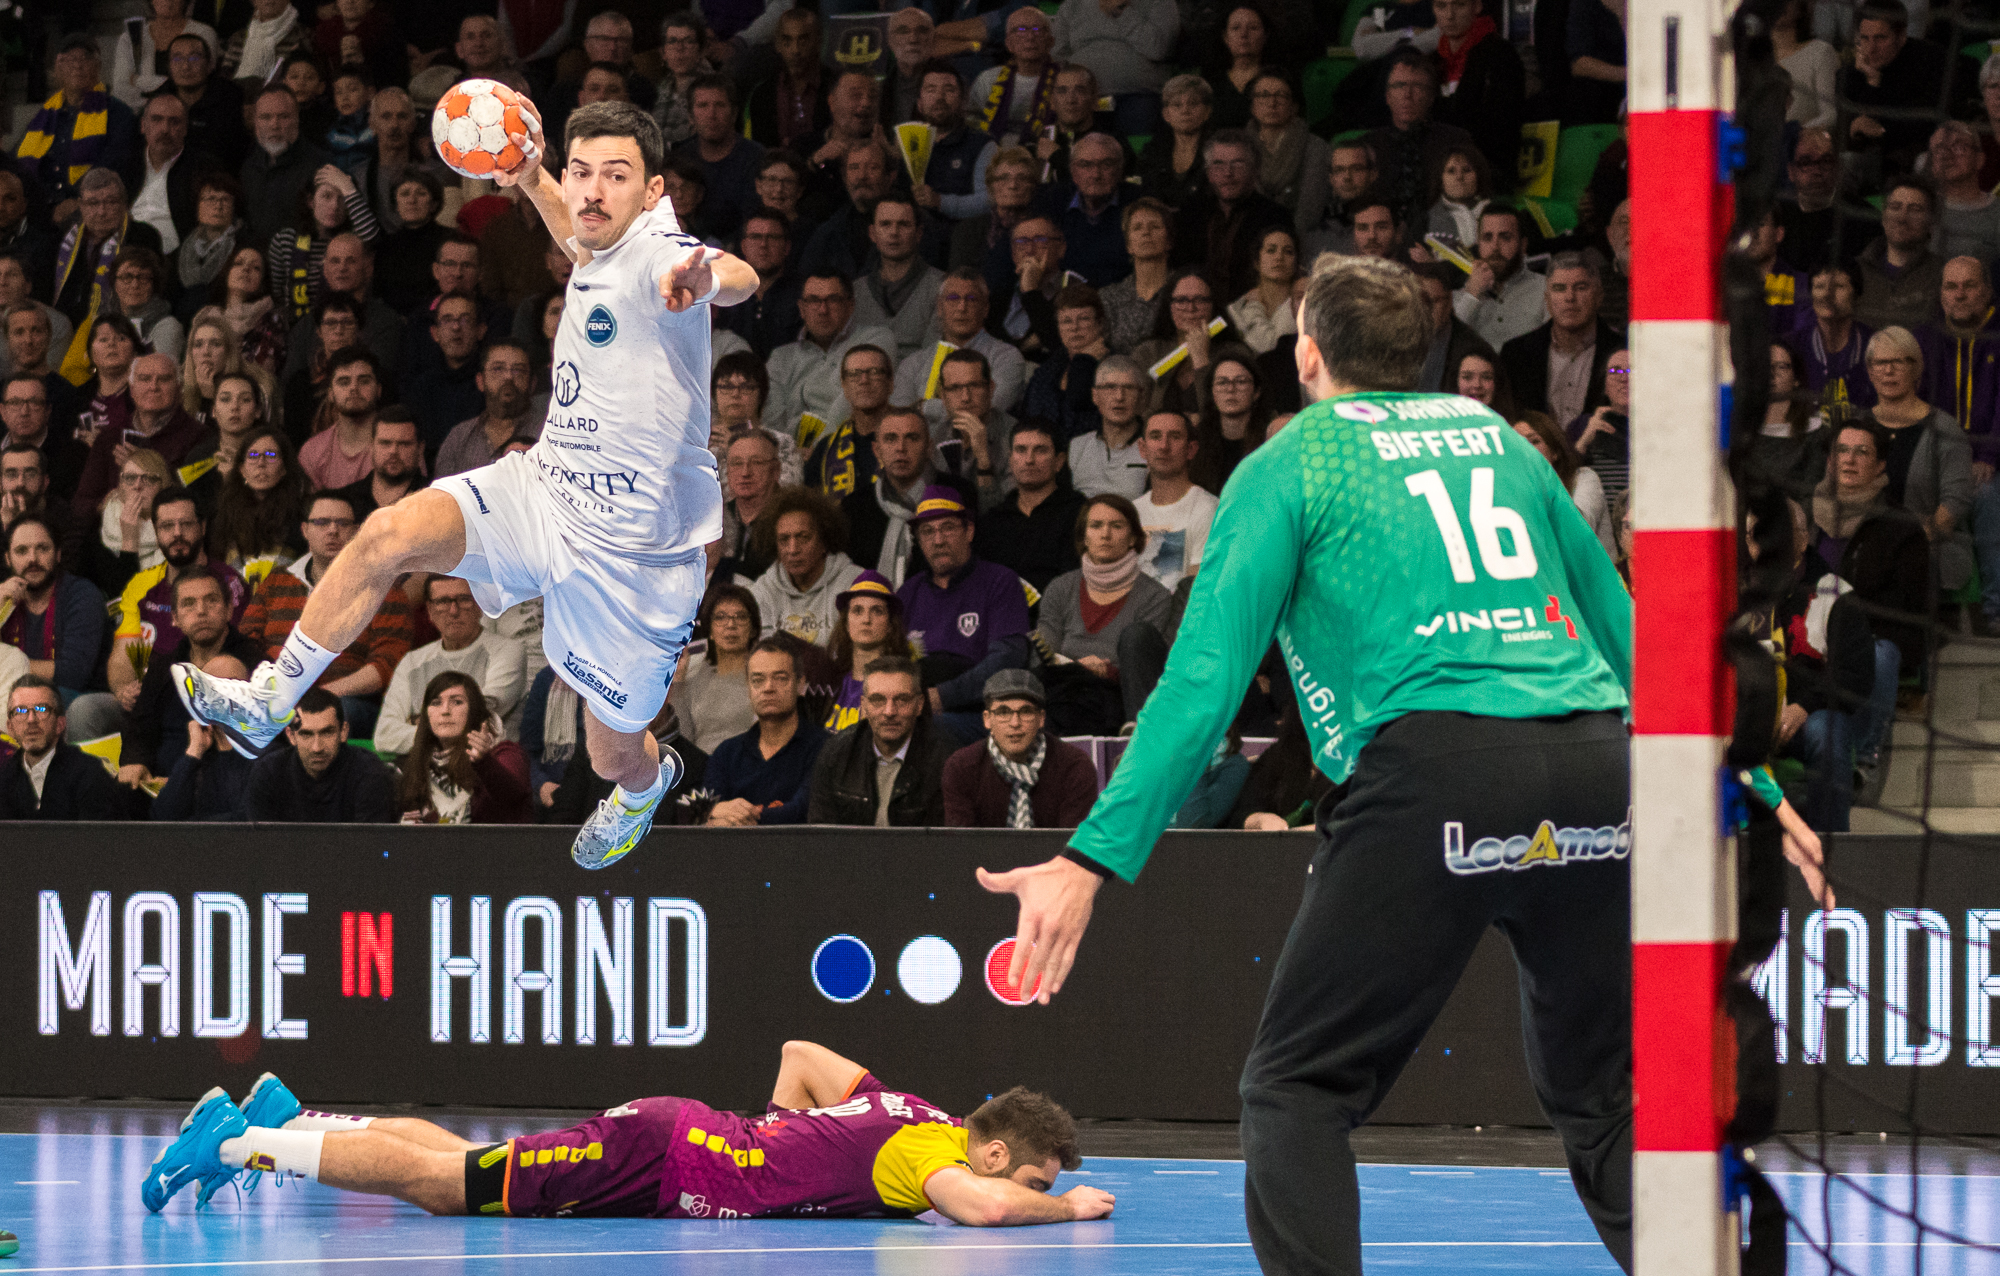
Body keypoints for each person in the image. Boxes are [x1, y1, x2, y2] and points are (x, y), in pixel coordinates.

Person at [976, 253, 1834, 1276]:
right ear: (1422, 349)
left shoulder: (1286, 465)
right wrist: (1751, 776)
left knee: (1294, 1090)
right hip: (1600, 770)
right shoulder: (1498, 445)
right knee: (1604, 1097)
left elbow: (1201, 686)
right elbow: (1623, 626)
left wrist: (1089, 858)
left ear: (1305, 353)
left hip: (1439, 772)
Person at [189, 94, 758, 869]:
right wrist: (530, 174)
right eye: (581, 170)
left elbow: (739, 274)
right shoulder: (598, 234)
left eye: (616, 176)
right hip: (547, 490)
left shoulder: (666, 253)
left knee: (610, 751)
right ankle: (268, 701)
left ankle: (643, 788)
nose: (591, 190)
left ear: (654, 193)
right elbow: (581, 235)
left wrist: (704, 277)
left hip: (636, 562)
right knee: (385, 533)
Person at [141, 1043, 1109, 1225]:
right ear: (994, 1150)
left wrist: (776, 1134)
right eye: (1026, 1170)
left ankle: (284, 1118)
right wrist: (1060, 1205)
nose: (1018, 1185)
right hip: (656, 1154)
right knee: (444, 1187)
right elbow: (977, 1208)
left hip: (673, 1143)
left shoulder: (914, 1112)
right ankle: (231, 1143)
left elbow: (803, 1051)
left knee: (453, 1163)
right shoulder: (935, 1156)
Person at [238, 489, 411, 739]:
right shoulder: (277, 582)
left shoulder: (383, 589)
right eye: (321, 523)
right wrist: (278, 690)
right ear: (305, 530)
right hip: (277, 695)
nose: (332, 531)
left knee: (334, 715)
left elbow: (385, 666)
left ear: (356, 531)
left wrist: (319, 695)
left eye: (342, 523)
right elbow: (247, 644)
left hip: (346, 701)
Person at [898, 487, 1032, 741]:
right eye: (927, 531)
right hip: (921, 711)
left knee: (929, 729)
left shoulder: (999, 582)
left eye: (947, 527)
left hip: (983, 714)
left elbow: (1007, 660)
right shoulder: (907, 594)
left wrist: (941, 696)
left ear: (968, 531)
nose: (938, 540)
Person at [1035, 493, 1174, 735]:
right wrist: (1079, 668)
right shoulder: (1059, 588)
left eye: (1117, 526)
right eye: (1096, 525)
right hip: (1066, 696)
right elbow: (1045, 655)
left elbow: (1144, 666)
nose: (1105, 534)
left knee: (1136, 635)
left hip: (1121, 701)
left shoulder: (1155, 596)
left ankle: (1138, 739)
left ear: (1133, 538)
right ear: (1084, 537)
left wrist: (1107, 672)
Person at [106, 491, 251, 722]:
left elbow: (236, 652)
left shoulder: (226, 582)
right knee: (88, 710)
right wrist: (124, 690)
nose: (177, 533)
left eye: (185, 524)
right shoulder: (142, 584)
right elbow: (124, 653)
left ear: (202, 527)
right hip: (149, 695)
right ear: (156, 532)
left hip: (211, 697)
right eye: (166, 526)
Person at [116, 564, 265, 786]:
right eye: (189, 603)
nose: (201, 611)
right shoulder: (162, 669)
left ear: (229, 610)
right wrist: (135, 761)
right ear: (174, 618)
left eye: (211, 600)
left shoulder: (257, 666)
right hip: (161, 786)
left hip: (232, 786)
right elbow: (140, 730)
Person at [1862, 325, 1976, 597]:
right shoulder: (1858, 426)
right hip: (1865, 554)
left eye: (1899, 362)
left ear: (1917, 369)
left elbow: (1955, 503)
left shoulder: (1945, 430)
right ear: (1869, 371)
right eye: (1881, 362)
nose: (1888, 371)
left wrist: (1898, 548)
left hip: (1930, 554)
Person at [373, 575, 528, 756]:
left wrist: (420, 722)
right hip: (424, 772)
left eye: (464, 600)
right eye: (443, 602)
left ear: (480, 606)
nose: (453, 610)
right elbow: (384, 736)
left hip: (487, 770)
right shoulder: (412, 662)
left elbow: (476, 718)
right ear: (429, 611)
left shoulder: (508, 652)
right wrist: (448, 729)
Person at [941, 668, 1098, 827]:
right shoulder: (962, 768)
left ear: (1041, 718)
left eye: (1025, 711)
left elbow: (1074, 847)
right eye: (1003, 712)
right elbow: (961, 847)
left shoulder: (1074, 767)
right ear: (987, 719)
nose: (1015, 723)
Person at [808, 653, 950, 826]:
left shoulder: (946, 760)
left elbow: (944, 845)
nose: (889, 711)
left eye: (902, 700)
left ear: (919, 705)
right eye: (878, 700)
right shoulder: (836, 754)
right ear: (864, 706)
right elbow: (821, 837)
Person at [841, 406, 974, 586]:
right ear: (876, 450)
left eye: (912, 438)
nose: (901, 448)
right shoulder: (855, 506)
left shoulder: (958, 495)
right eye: (890, 439)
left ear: (928, 447)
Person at [703, 637, 826, 825]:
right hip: (733, 853)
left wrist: (727, 815)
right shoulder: (726, 753)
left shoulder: (825, 748)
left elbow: (801, 811)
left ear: (801, 685)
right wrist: (712, 813)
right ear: (748, 687)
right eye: (758, 680)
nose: (768, 688)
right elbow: (703, 811)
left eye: (780, 678)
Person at [17, 37, 141, 218]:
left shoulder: (118, 113)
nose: (77, 65)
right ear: (56, 69)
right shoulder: (42, 119)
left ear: (98, 67)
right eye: (68, 59)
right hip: (41, 209)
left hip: (92, 207)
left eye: (86, 58)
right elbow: (19, 165)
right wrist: (47, 204)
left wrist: (77, 200)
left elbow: (114, 164)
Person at [765, 272, 899, 435]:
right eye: (814, 300)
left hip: (854, 443)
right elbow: (772, 419)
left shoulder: (875, 339)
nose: (823, 310)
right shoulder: (781, 358)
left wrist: (821, 449)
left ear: (850, 306)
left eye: (833, 300)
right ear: (802, 308)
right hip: (793, 452)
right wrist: (790, 452)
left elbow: (853, 400)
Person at [391, 670, 532, 823]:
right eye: (436, 703)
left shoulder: (504, 754)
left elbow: (513, 796)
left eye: (457, 702)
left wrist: (484, 762)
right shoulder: (418, 763)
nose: (445, 711)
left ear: (473, 711)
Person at [239, 686, 397, 820]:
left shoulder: (369, 773)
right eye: (306, 734)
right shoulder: (268, 773)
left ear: (344, 731)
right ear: (291, 735)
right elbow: (261, 847)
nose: (317, 747)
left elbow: (369, 849)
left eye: (327, 733)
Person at [1170, 131, 1292, 301]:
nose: (1228, 173)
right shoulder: (1191, 213)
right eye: (1218, 165)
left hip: (1251, 313)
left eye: (1238, 164)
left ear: (1255, 170)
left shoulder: (1275, 217)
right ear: (1209, 172)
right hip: (1197, 311)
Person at [1360, 51, 1478, 226]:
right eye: (1399, 85)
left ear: (1431, 97)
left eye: (1417, 86)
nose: (1407, 94)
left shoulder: (1456, 141)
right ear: (1387, 96)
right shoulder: (1368, 145)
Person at [1501, 253, 1618, 423]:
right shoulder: (1515, 355)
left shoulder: (1625, 351)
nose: (1569, 297)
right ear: (1547, 300)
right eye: (1559, 288)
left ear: (1599, 296)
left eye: (1581, 287)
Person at [891, 270, 1028, 416]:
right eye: (953, 298)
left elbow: (989, 409)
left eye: (971, 298)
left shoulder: (1007, 358)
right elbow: (900, 416)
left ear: (985, 309)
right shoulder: (913, 364)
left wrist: (923, 407)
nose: (962, 307)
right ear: (939, 307)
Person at [975, 419, 1085, 591]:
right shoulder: (993, 520)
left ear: (1059, 461)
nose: (1029, 460)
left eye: (1040, 450)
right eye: (1021, 450)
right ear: (1010, 459)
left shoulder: (1081, 513)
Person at [748, 486, 865, 646]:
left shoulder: (855, 584)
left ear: (824, 541)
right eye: (784, 540)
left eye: (803, 537)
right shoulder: (763, 591)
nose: (793, 549)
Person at [0, 675, 127, 820]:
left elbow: (100, 840)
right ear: (10, 727)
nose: (31, 720)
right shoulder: (4, 778)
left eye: (42, 709)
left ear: (60, 724)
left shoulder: (90, 775)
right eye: (21, 711)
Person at [151, 652, 258, 819]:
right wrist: (193, 753)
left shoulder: (265, 753)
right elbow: (164, 816)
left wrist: (189, 826)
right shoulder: (197, 749)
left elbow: (247, 820)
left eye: (232, 684)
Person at [1052, 0, 1177, 139]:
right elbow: (1058, 55)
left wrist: (1122, 11)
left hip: (1137, 94)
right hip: (1085, 99)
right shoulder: (1072, 5)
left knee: (1142, 115)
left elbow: (1158, 49)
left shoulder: (1159, 3)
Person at [849, 196, 946, 363]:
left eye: (904, 224)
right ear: (872, 233)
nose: (894, 232)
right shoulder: (854, 292)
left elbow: (933, 359)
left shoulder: (943, 287)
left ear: (918, 233)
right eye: (885, 224)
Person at [667, 585, 759, 753]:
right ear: (709, 629)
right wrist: (678, 679)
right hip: (702, 771)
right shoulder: (695, 677)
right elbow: (682, 740)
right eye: (720, 617)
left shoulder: (763, 679)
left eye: (740, 617)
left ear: (753, 629)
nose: (731, 624)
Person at [1131, 411, 1216, 592]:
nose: (1163, 446)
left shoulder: (1208, 508)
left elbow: (1197, 589)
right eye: (1155, 436)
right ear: (1142, 448)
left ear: (1191, 449)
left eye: (1175, 437)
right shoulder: (1132, 511)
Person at [239, 85, 331, 248]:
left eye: (283, 116)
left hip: (300, 263)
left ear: (297, 118)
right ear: (255, 122)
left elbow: (319, 229)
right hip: (257, 265)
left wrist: (298, 267)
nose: (274, 125)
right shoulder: (248, 168)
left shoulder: (321, 166)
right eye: (266, 117)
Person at [1513, 409, 1615, 556]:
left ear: (1555, 451)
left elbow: (1576, 531)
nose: (1525, 450)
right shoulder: (1511, 489)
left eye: (1534, 441)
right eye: (1518, 443)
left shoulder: (1584, 479)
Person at [433, 342, 540, 478]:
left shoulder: (548, 432)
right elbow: (443, 493)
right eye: (498, 369)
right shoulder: (458, 438)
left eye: (518, 370)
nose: (508, 376)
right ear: (480, 381)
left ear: (533, 383)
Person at [210, 426, 308, 573]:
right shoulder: (224, 515)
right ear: (241, 469)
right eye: (253, 456)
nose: (261, 463)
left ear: (284, 468)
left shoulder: (300, 516)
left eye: (270, 455)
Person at [1023, 283, 1114, 440]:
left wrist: (1085, 361)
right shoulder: (1047, 370)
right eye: (1066, 321)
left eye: (1083, 319)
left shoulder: (1116, 369)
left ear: (1100, 324)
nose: (1074, 328)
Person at [1854, 178, 1945, 334]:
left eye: (1915, 209)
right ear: (1883, 216)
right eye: (1895, 207)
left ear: (1931, 222)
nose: (1902, 218)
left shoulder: (1944, 275)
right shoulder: (1853, 271)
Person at [1452, 205, 1546, 350]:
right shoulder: (1460, 295)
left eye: (1505, 238)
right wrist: (1472, 295)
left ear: (1523, 245)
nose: (1495, 247)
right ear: (1479, 244)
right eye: (1487, 238)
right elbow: (1447, 344)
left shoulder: (1546, 290)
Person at [1246, 74, 1329, 234]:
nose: (1272, 103)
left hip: (1298, 237)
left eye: (1281, 96)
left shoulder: (1316, 147)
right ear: (1252, 106)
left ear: (1294, 106)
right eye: (1264, 95)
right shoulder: (1239, 146)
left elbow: (1309, 209)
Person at [970, 8, 1062, 148]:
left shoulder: (1064, 80)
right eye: (1021, 30)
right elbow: (971, 121)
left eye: (1038, 29)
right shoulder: (988, 80)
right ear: (1009, 44)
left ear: (1050, 41)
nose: (1030, 37)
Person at [298, 345, 383, 489]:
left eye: (364, 381)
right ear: (330, 393)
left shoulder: (398, 445)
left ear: (378, 390)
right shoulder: (312, 452)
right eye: (344, 382)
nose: (353, 388)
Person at [1798, 262, 1875, 417]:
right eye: (1819, 287)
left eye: (1838, 287)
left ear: (1856, 294)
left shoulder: (1878, 345)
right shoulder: (1792, 346)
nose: (1827, 295)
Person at [1098, 199, 1174, 357]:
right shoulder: (1109, 297)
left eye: (1155, 226)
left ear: (1169, 241)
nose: (1146, 233)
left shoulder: (1184, 290)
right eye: (1137, 228)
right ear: (1128, 245)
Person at [1067, 356, 1150, 500]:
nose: (1119, 397)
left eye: (1128, 388)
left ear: (1141, 396)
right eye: (1110, 387)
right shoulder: (1077, 446)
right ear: (1095, 396)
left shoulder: (1154, 447)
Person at [332, 410, 425, 522]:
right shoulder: (343, 501)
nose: (393, 451)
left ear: (420, 448)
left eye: (404, 444)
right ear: (371, 446)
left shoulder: (437, 498)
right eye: (385, 443)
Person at [1138, 74, 1214, 210]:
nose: (1185, 110)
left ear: (1207, 111)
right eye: (1177, 105)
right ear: (1166, 114)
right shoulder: (1153, 151)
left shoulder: (1219, 149)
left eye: (1193, 103)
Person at [1227, 226, 1299, 357]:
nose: (1279, 257)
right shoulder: (1236, 308)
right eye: (1271, 250)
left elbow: (1269, 350)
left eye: (1288, 252)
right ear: (1256, 261)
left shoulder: (1302, 304)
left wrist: (1254, 306)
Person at [1302, 142, 1380, 262]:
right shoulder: (1314, 233)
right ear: (1331, 178)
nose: (1347, 177)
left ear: (1373, 174)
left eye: (1356, 169)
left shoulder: (1391, 225)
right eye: (1339, 170)